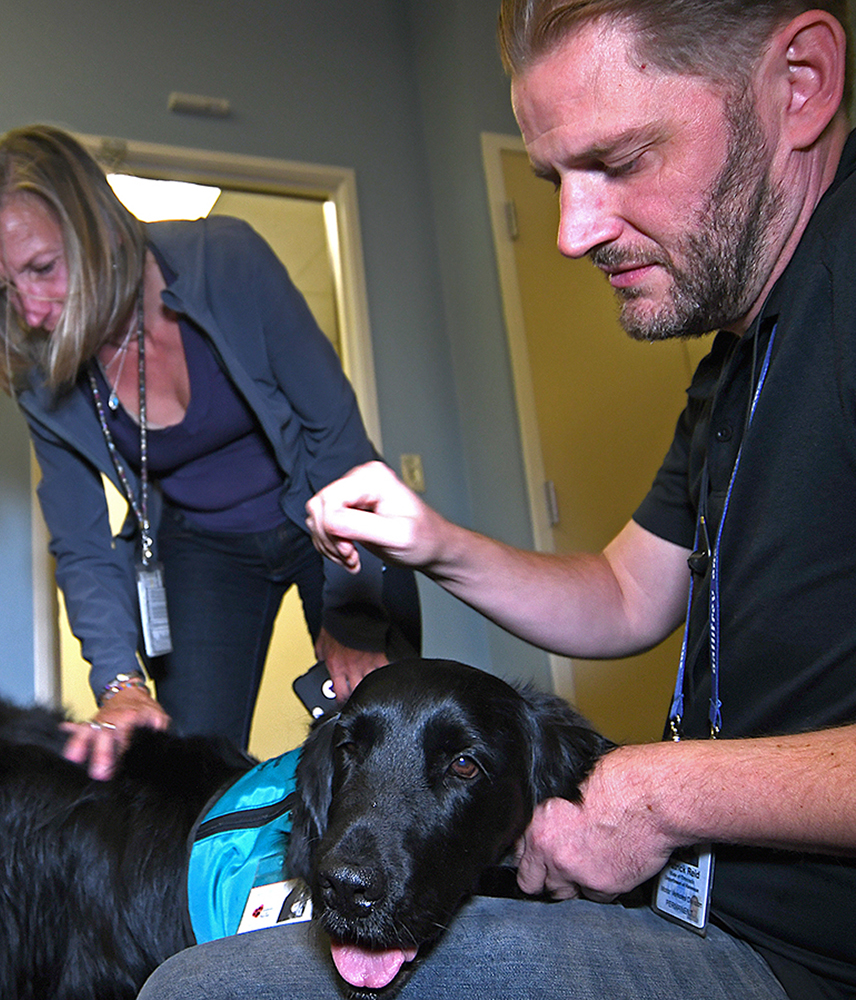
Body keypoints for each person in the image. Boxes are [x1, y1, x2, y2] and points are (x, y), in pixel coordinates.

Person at [138, 2, 856, 999]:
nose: (572, 231)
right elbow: (619, 594)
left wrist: (656, 794)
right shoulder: (735, 359)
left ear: (801, 82)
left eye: (619, 159)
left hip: (801, 958)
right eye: (553, 179)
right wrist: (431, 540)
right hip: (695, 903)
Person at [0, 124, 419, 777]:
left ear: (98, 227)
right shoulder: (38, 375)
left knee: (395, 744)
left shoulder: (227, 262)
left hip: (328, 521)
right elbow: (80, 542)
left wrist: (352, 614)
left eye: (43, 269)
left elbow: (336, 436)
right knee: (183, 775)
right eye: (4, 287)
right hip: (201, 551)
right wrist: (118, 683)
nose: (32, 310)